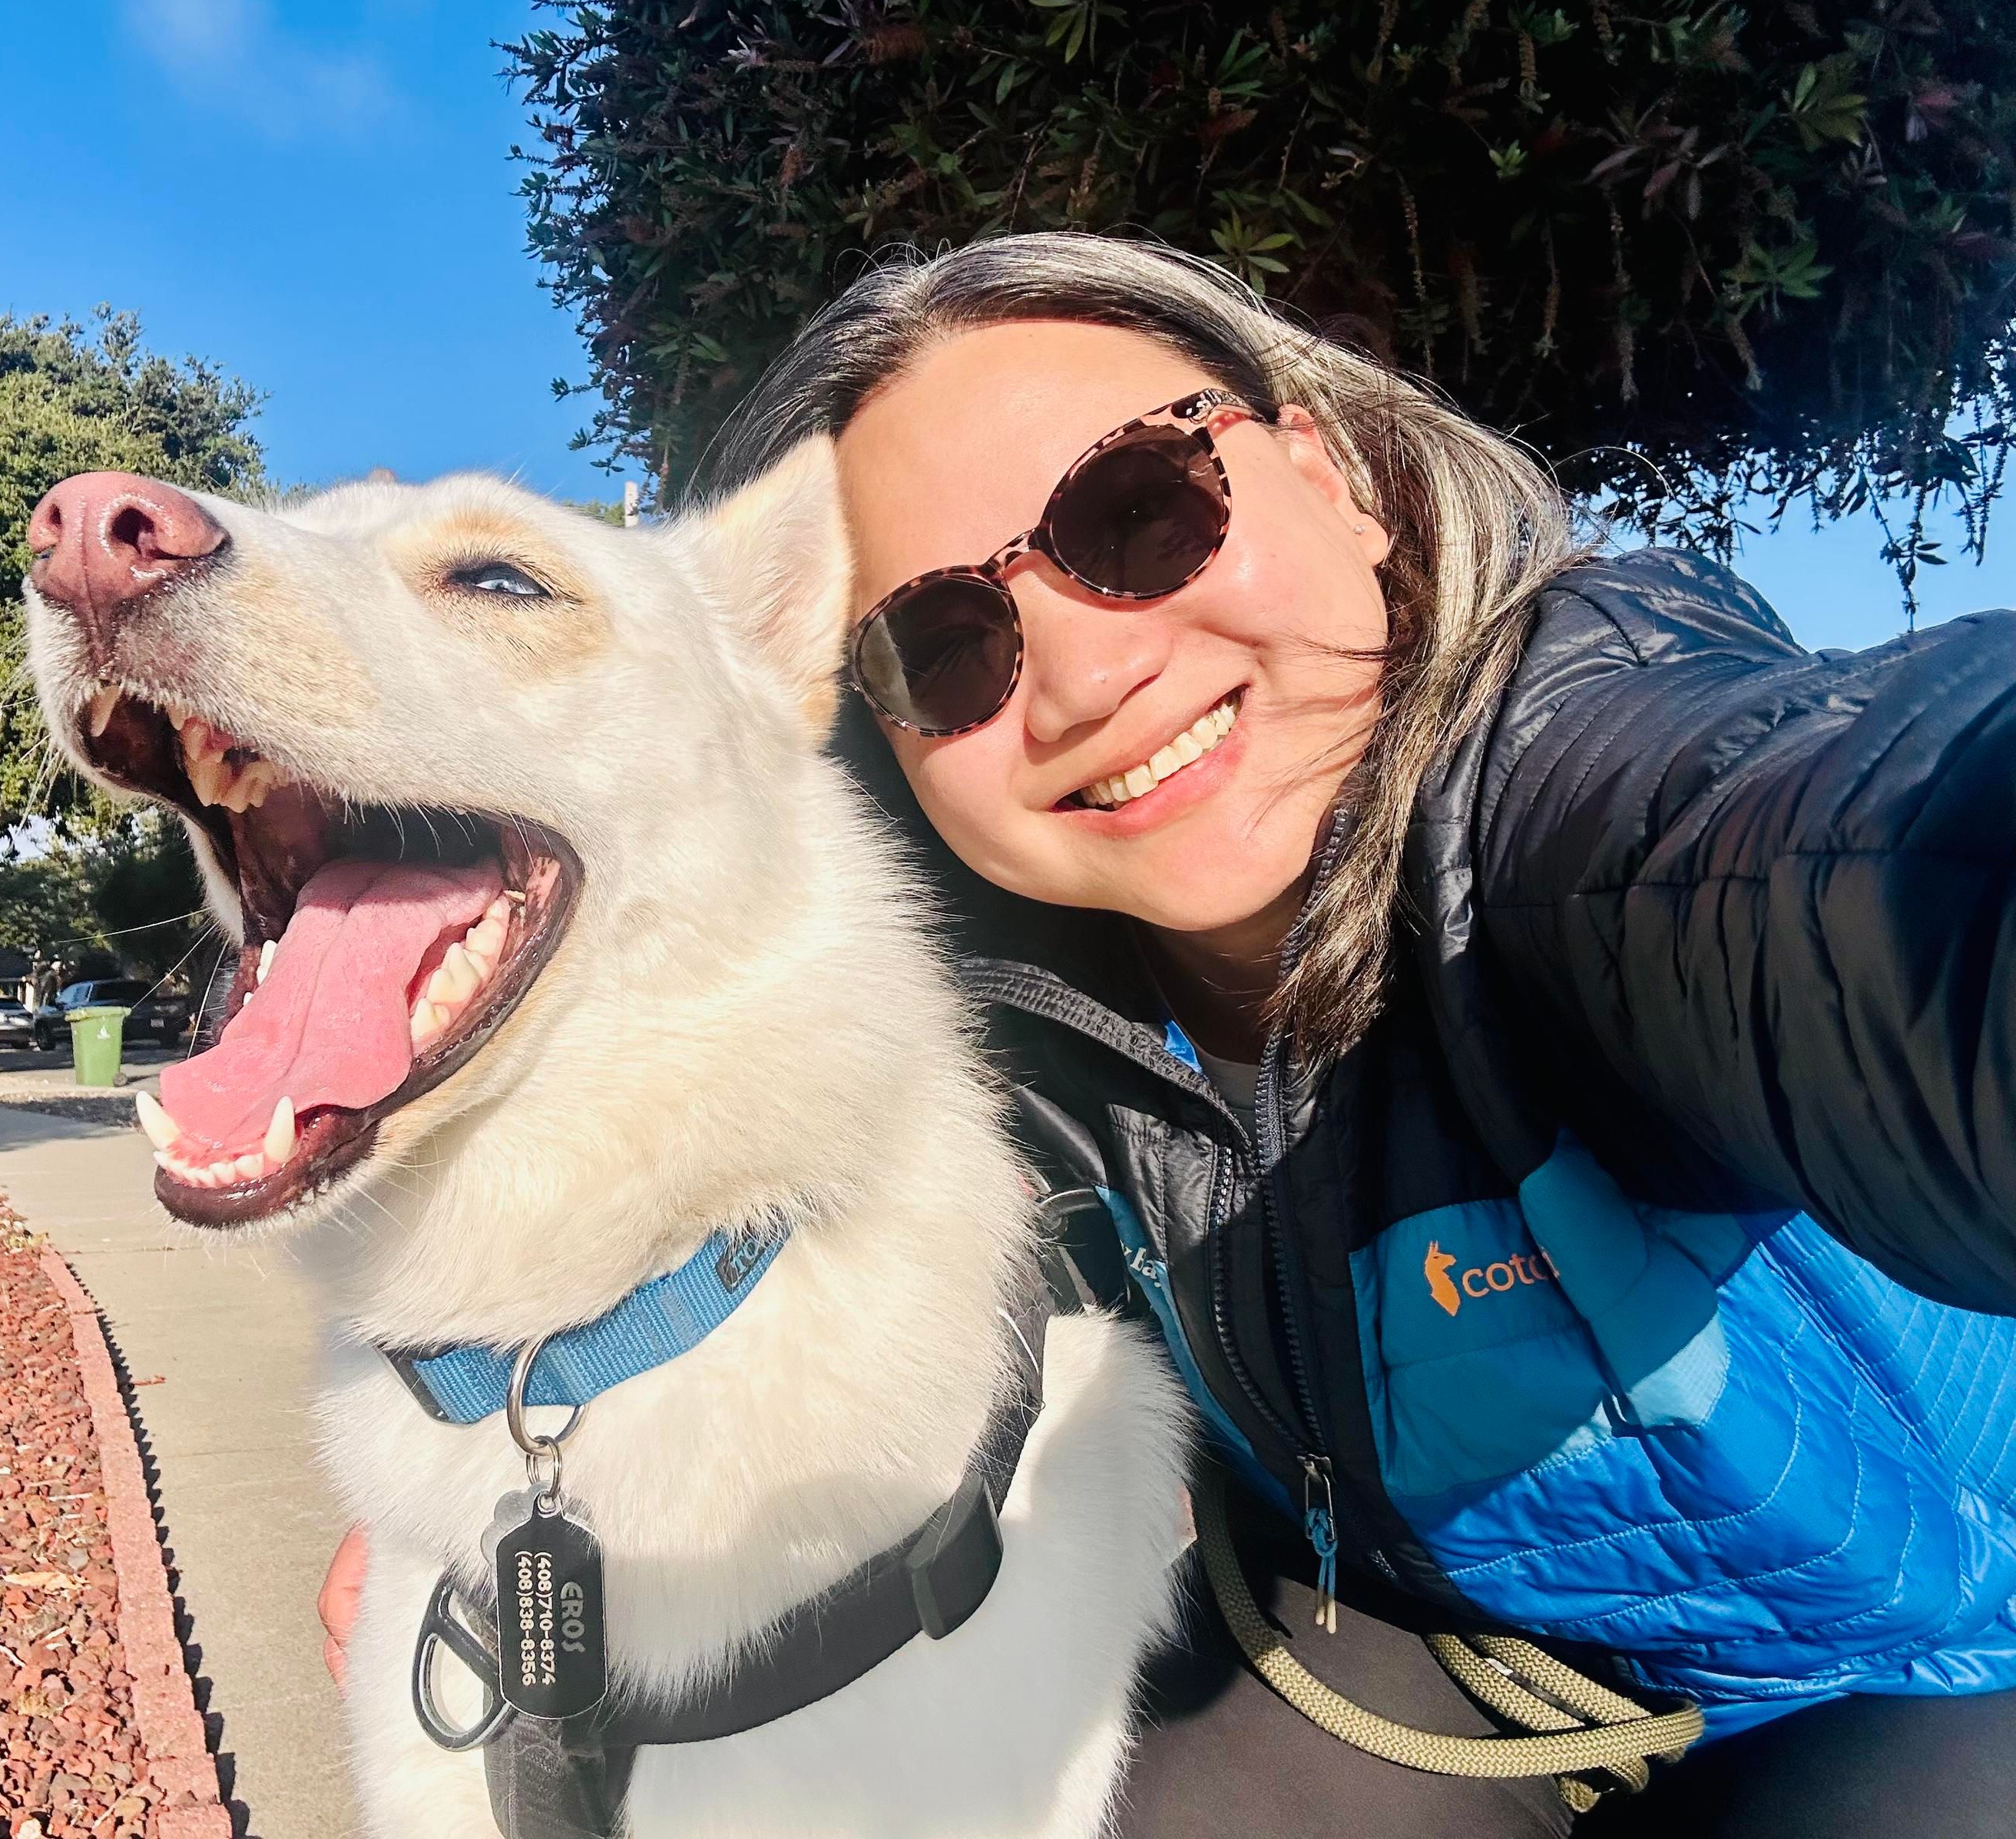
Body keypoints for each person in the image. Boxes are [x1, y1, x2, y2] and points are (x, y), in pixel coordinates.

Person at [322, 233, 2016, 1834]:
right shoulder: (990, 1023)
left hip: (1940, 1687)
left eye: (1139, 511)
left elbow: (1858, 863)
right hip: (1456, 1667)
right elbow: (667, 1161)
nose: (1076, 677)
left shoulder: (1585, 794)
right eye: (943, 644)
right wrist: (471, 1495)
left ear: (1334, 476)